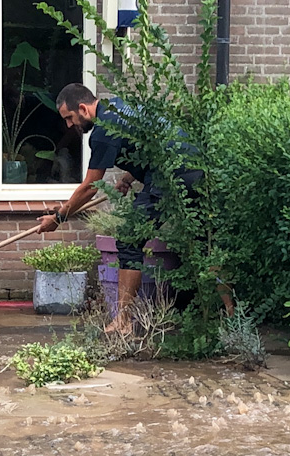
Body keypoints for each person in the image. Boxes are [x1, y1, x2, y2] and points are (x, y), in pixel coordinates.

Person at [36, 82, 189, 334]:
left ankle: (123, 322)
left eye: (69, 118)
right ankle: (229, 316)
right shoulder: (120, 107)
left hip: (170, 176)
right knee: (205, 239)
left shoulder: (102, 132)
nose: (68, 125)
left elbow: (90, 187)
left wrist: (59, 217)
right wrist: (129, 177)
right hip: (190, 166)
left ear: (83, 109)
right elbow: (152, 147)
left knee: (129, 240)